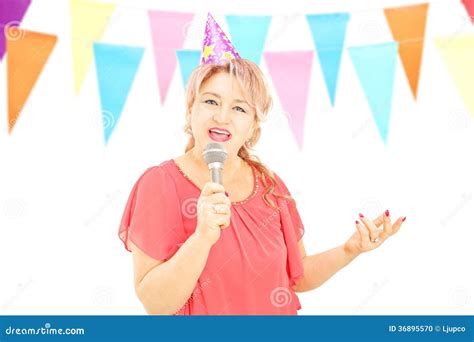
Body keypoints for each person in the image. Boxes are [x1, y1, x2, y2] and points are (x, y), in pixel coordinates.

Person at [118, 13, 406, 315]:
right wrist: (202, 237)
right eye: (211, 101)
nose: (222, 116)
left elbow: (297, 275)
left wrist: (350, 250)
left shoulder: (269, 185)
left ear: (253, 126)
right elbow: (156, 303)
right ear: (191, 109)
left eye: (239, 108)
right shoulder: (159, 184)